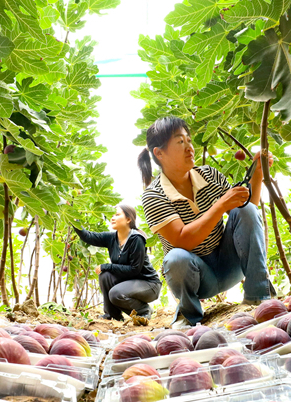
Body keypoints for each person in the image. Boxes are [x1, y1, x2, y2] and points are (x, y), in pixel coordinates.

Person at [138, 116, 271, 329]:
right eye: (180, 141)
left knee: (245, 209)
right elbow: (183, 241)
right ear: (159, 153)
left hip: (230, 263)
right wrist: (219, 206)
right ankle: (189, 315)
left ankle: (258, 297)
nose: (189, 147)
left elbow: (247, 211)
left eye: (189, 140)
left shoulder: (209, 175)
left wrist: (258, 175)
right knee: (175, 257)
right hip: (197, 276)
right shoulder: (154, 196)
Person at [73, 204, 161, 321]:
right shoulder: (111, 238)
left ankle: (144, 310)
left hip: (149, 284)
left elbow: (134, 270)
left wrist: (107, 266)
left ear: (128, 219)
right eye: (112, 215)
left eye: (117, 215)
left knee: (115, 293)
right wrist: (74, 218)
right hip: (131, 282)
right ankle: (112, 314)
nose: (112, 218)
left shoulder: (136, 239)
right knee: (105, 276)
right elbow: (88, 236)